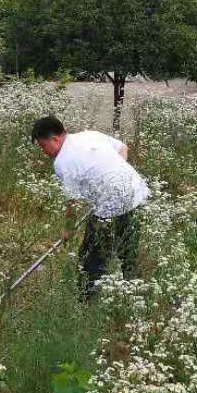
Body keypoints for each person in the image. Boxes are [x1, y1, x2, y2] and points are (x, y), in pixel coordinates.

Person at [31, 115, 149, 298]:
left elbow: (73, 202)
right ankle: (136, 296)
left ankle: (87, 303)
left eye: (43, 146)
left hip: (113, 206)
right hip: (136, 194)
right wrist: (114, 177)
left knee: (91, 260)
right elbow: (123, 149)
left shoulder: (63, 162)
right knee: (129, 253)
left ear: (54, 139)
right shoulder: (89, 135)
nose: (43, 151)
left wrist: (68, 230)